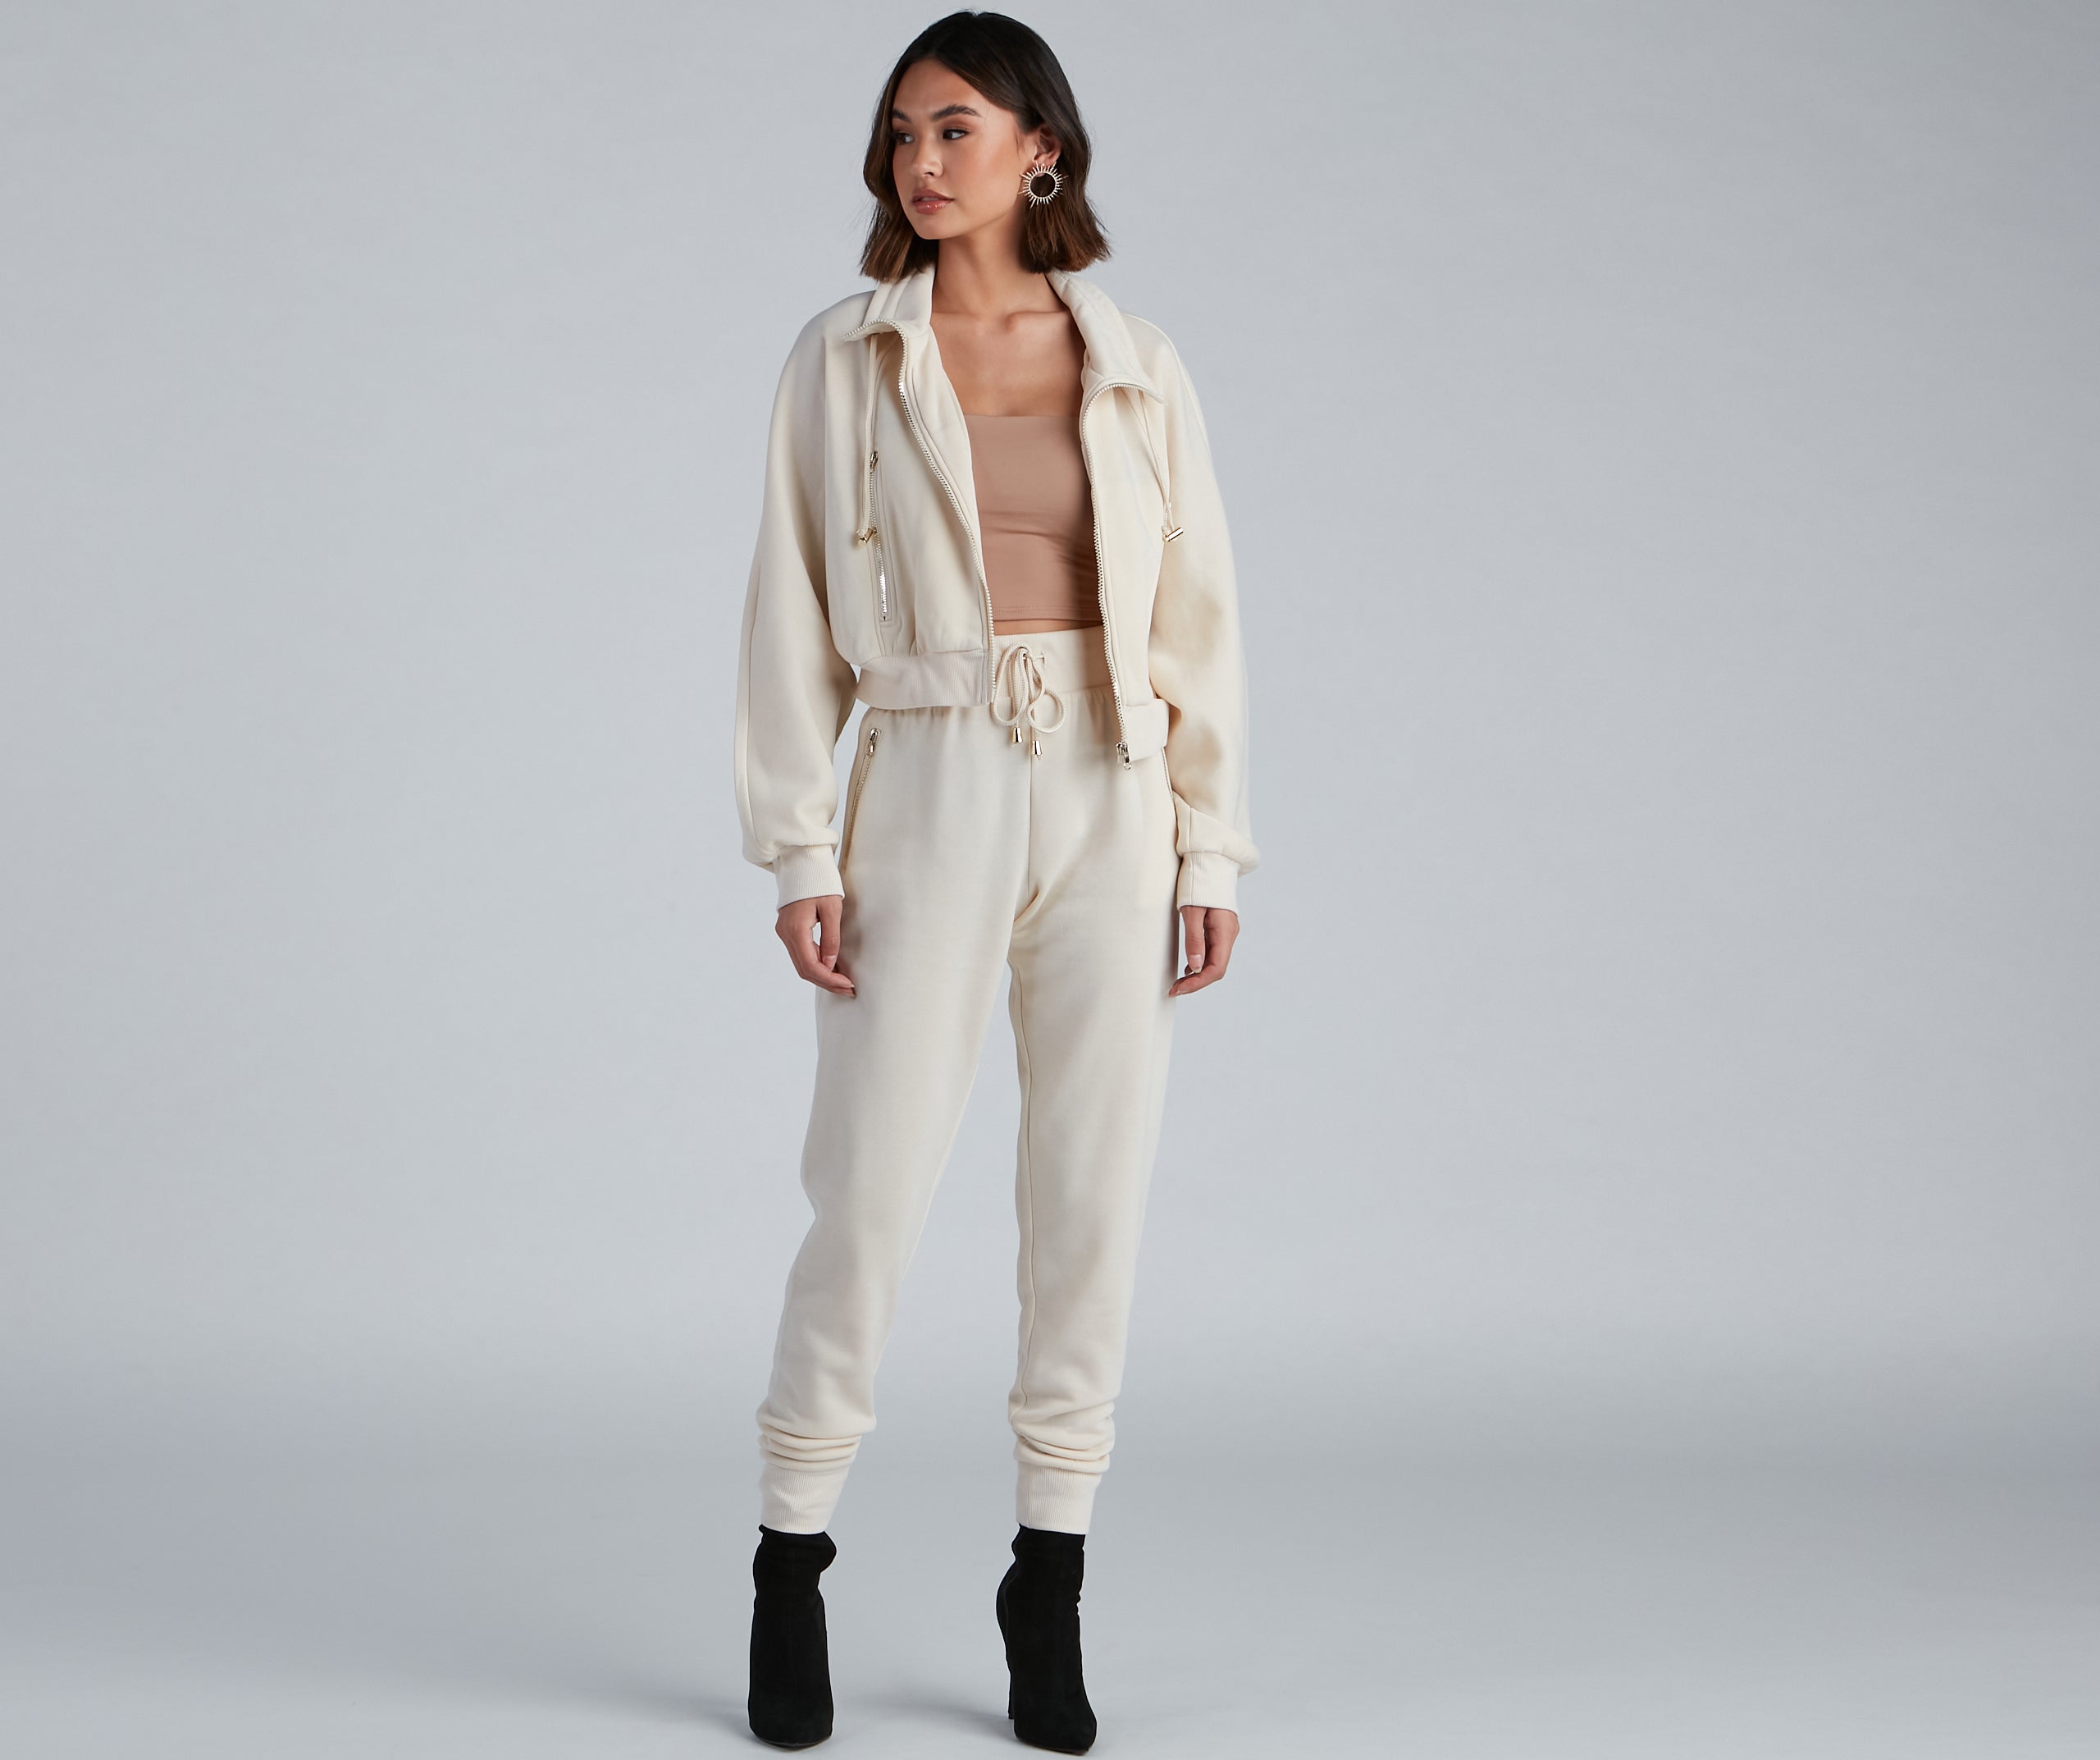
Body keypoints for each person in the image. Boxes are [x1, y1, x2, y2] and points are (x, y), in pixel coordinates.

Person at [730, 11, 1258, 1750]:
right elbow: (787, 616)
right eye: (901, 133)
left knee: (1090, 1192)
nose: (920, 161)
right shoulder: (843, 357)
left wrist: (1208, 840)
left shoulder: (1137, 362)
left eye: (954, 126)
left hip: (1113, 787)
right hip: (929, 778)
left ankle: (1050, 1576)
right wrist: (801, 844)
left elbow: (1198, 624)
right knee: (868, 1188)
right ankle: (789, 1557)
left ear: (1043, 148)